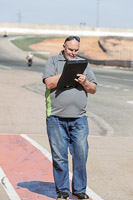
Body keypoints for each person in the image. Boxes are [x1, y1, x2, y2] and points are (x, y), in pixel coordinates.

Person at [42, 36, 97, 200]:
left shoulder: (83, 63)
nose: (73, 53)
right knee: (59, 157)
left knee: (81, 155)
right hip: (56, 118)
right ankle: (63, 191)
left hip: (80, 119)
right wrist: (67, 72)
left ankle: (79, 190)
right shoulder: (52, 61)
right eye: (70, 49)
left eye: (76, 50)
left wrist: (85, 81)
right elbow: (49, 83)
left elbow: (93, 89)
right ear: (64, 47)